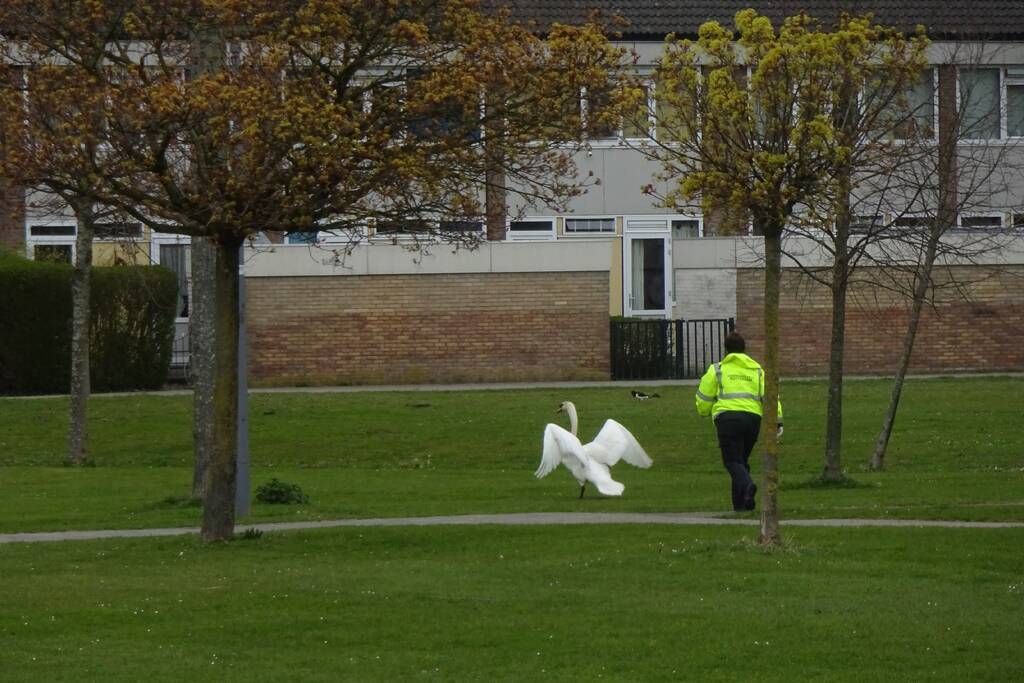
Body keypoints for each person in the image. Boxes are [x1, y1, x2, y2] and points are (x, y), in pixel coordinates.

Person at [695, 331, 782, 511]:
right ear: (744, 349)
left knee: (732, 461)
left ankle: (748, 485)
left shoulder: (717, 369)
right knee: (741, 461)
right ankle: (743, 504)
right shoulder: (757, 370)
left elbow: (704, 396)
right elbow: (771, 396)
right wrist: (777, 420)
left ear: (726, 350)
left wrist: (703, 411)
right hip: (752, 419)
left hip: (727, 419)